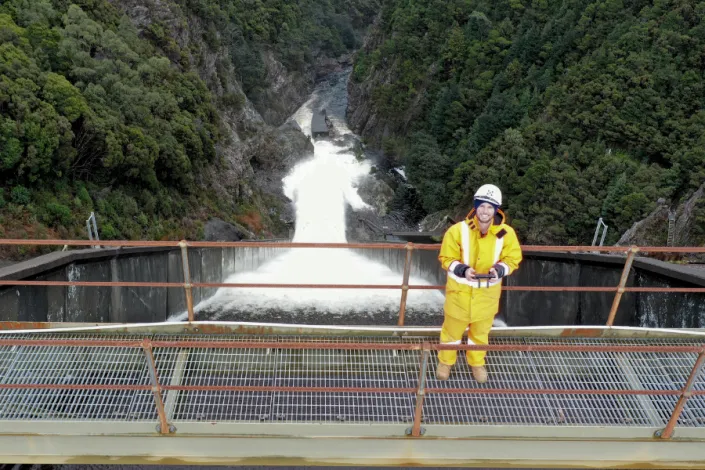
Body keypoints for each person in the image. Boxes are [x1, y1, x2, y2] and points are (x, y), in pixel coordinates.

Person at [436, 184, 522, 383]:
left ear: (496, 209)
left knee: (480, 334)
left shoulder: (505, 233)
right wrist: (463, 270)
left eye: (490, 207)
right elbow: (446, 257)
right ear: (475, 207)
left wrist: (500, 270)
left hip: (487, 296)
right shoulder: (458, 231)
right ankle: (445, 362)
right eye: (482, 206)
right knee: (451, 332)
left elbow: (513, 258)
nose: (485, 211)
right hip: (460, 294)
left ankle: (477, 363)